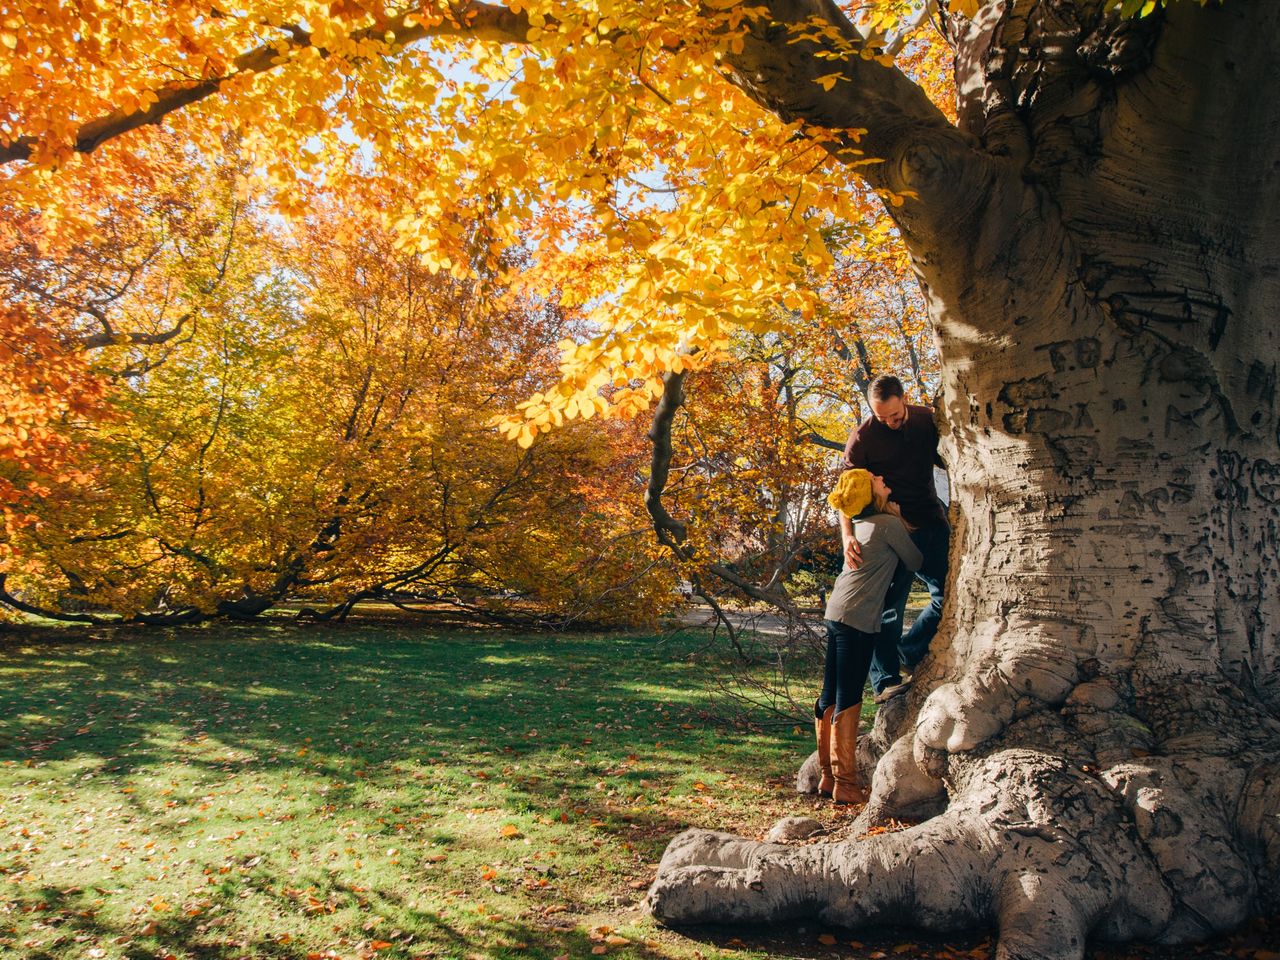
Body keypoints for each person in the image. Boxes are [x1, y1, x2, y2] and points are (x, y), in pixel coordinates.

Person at [817, 468, 922, 805]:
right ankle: (846, 784)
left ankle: (827, 776)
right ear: (870, 492)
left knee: (829, 694)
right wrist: (899, 518)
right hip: (858, 617)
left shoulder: (860, 526)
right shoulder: (887, 525)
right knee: (847, 697)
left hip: (836, 611)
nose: (882, 479)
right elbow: (915, 560)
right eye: (876, 480)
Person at [842, 375, 949, 703]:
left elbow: (954, 464)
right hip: (886, 528)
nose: (889, 422)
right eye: (880, 417)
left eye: (895, 416)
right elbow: (846, 495)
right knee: (885, 609)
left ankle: (909, 651)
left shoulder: (926, 422)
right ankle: (885, 680)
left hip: (929, 522)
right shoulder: (862, 439)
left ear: (904, 400)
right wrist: (848, 537)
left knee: (947, 597)